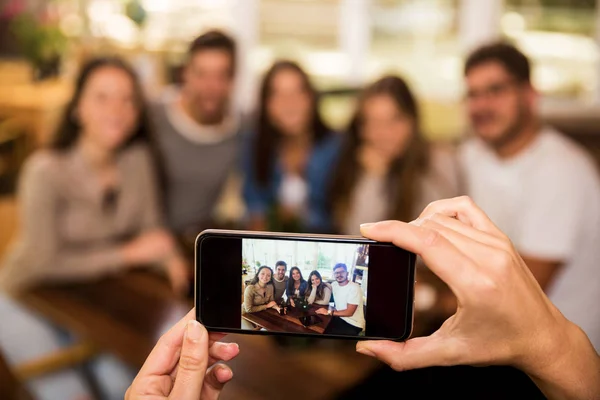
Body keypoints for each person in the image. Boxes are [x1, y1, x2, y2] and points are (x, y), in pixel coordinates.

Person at [131, 197, 600, 400]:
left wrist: (551, 346)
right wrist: (553, 348)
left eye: (336, 269)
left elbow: (338, 307)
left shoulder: (333, 285)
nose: (327, 273)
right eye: (281, 268)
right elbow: (290, 301)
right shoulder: (282, 283)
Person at [0, 57, 188, 400]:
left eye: (127, 99)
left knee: (126, 384)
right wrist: (127, 254)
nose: (116, 109)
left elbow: (153, 231)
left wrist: (172, 262)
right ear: (77, 109)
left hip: (90, 299)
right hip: (24, 295)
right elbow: (43, 263)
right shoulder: (44, 171)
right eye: (102, 97)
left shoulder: (138, 160)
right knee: (71, 393)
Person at [459, 42, 600, 351]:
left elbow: (524, 287)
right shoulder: (472, 155)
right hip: (502, 335)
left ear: (530, 95)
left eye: (496, 90)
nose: (482, 105)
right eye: (473, 94)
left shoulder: (562, 170)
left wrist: (432, 299)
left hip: (561, 351)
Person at [329, 75, 461, 235]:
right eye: (374, 122)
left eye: (394, 120)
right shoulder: (354, 165)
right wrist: (374, 178)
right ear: (362, 129)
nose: (384, 133)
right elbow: (358, 238)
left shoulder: (438, 163)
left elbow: (436, 237)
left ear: (412, 121)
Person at [151, 30, 245, 238]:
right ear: (185, 74)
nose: (211, 87)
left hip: (201, 245)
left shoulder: (241, 126)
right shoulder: (153, 117)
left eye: (221, 75)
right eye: (201, 74)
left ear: (233, 79)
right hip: (150, 245)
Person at [243, 60, 342, 233]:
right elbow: (255, 210)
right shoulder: (254, 145)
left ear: (311, 98)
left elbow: (339, 217)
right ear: (266, 104)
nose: (289, 103)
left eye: (297, 92)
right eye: (278, 94)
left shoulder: (337, 147)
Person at [316, 263, 365, 335]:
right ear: (334, 275)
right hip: (339, 317)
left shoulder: (354, 287)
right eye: (336, 273)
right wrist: (315, 282)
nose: (339, 275)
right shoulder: (334, 285)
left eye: (342, 272)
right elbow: (322, 284)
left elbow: (349, 312)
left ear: (347, 273)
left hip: (353, 323)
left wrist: (328, 312)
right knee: (320, 330)